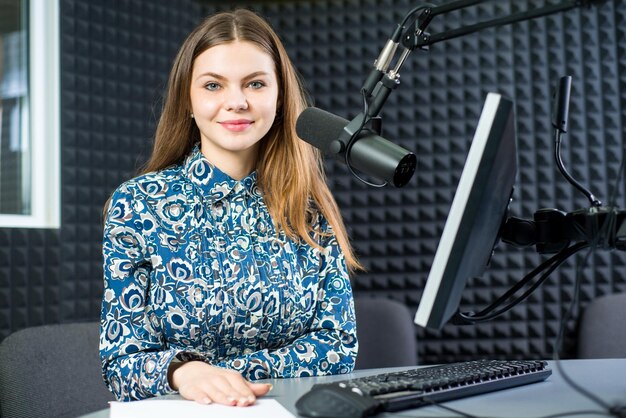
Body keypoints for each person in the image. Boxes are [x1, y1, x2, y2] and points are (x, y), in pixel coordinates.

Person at [100, 8, 362, 406]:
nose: (236, 102)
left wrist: (224, 375)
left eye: (255, 84)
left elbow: (338, 346)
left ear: (279, 97)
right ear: (187, 99)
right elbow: (121, 364)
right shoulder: (137, 204)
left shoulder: (309, 209)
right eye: (213, 85)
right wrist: (184, 372)